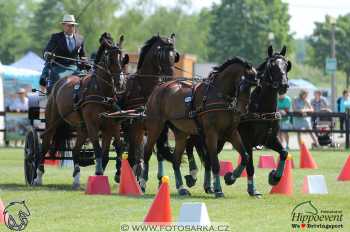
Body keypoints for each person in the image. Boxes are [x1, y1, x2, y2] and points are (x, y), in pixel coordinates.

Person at [39, 14, 86, 92]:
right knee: (56, 78)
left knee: (85, 79)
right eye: (68, 25)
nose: (71, 28)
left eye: (72, 26)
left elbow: (82, 55)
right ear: (63, 26)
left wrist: (84, 60)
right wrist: (48, 55)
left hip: (73, 67)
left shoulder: (80, 38)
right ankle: (47, 97)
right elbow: (46, 51)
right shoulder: (56, 37)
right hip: (58, 66)